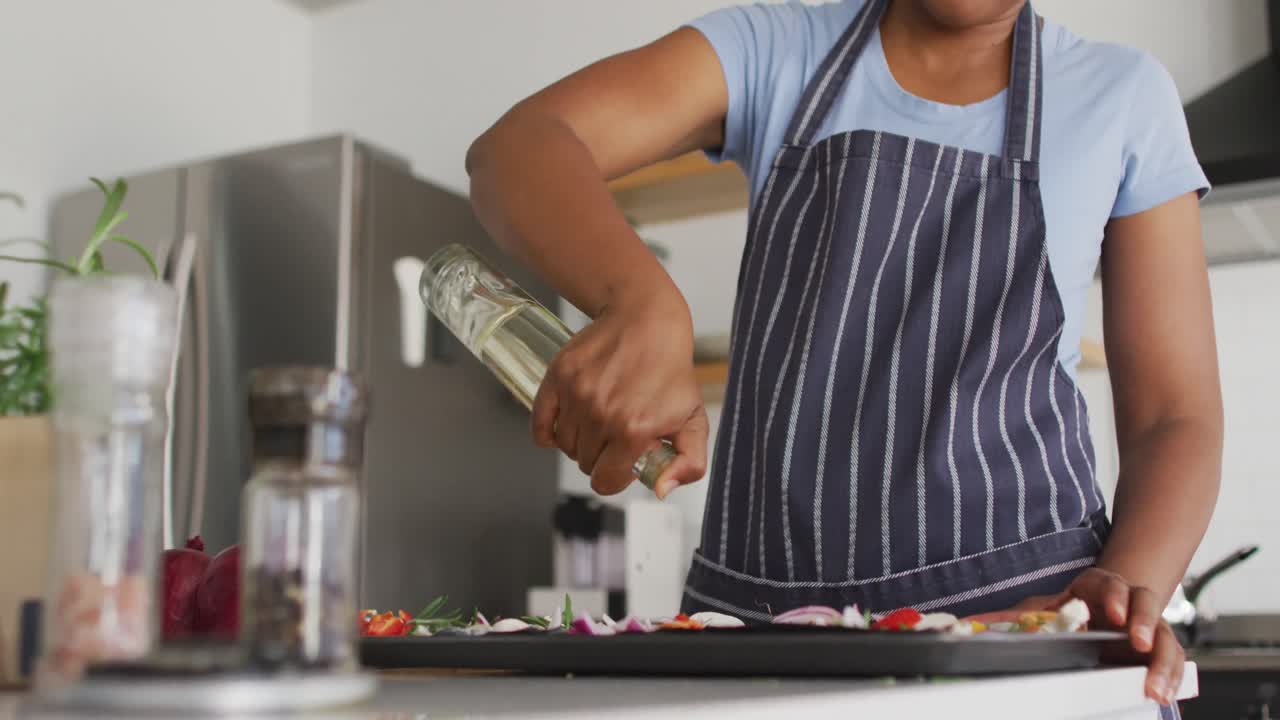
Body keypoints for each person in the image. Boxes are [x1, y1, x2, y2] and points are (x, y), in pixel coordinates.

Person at [466, 0, 1222, 711]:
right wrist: (639, 299)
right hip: (760, 650)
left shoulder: (1122, 97)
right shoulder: (778, 50)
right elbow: (519, 147)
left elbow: (1174, 417)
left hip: (1022, 634)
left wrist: (1122, 585)